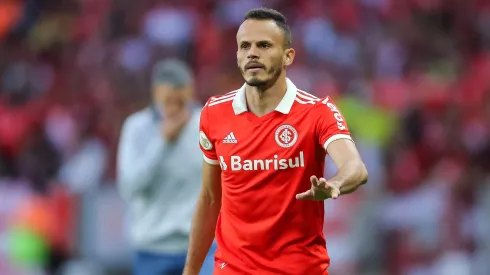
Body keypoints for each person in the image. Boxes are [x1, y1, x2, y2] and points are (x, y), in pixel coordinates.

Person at [183, 8, 368, 275]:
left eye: (264, 45)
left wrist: (335, 184)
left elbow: (356, 167)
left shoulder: (317, 111)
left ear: (288, 56)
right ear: (237, 55)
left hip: (300, 268)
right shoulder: (214, 113)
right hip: (234, 268)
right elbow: (212, 198)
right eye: (244, 46)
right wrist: (190, 271)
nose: (252, 53)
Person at [117, 59, 216, 275]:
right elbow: (129, 187)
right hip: (152, 248)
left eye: (180, 101)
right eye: (168, 101)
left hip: (202, 245)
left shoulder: (207, 125)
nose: (174, 109)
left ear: (190, 93)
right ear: (155, 94)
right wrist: (162, 143)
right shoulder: (137, 128)